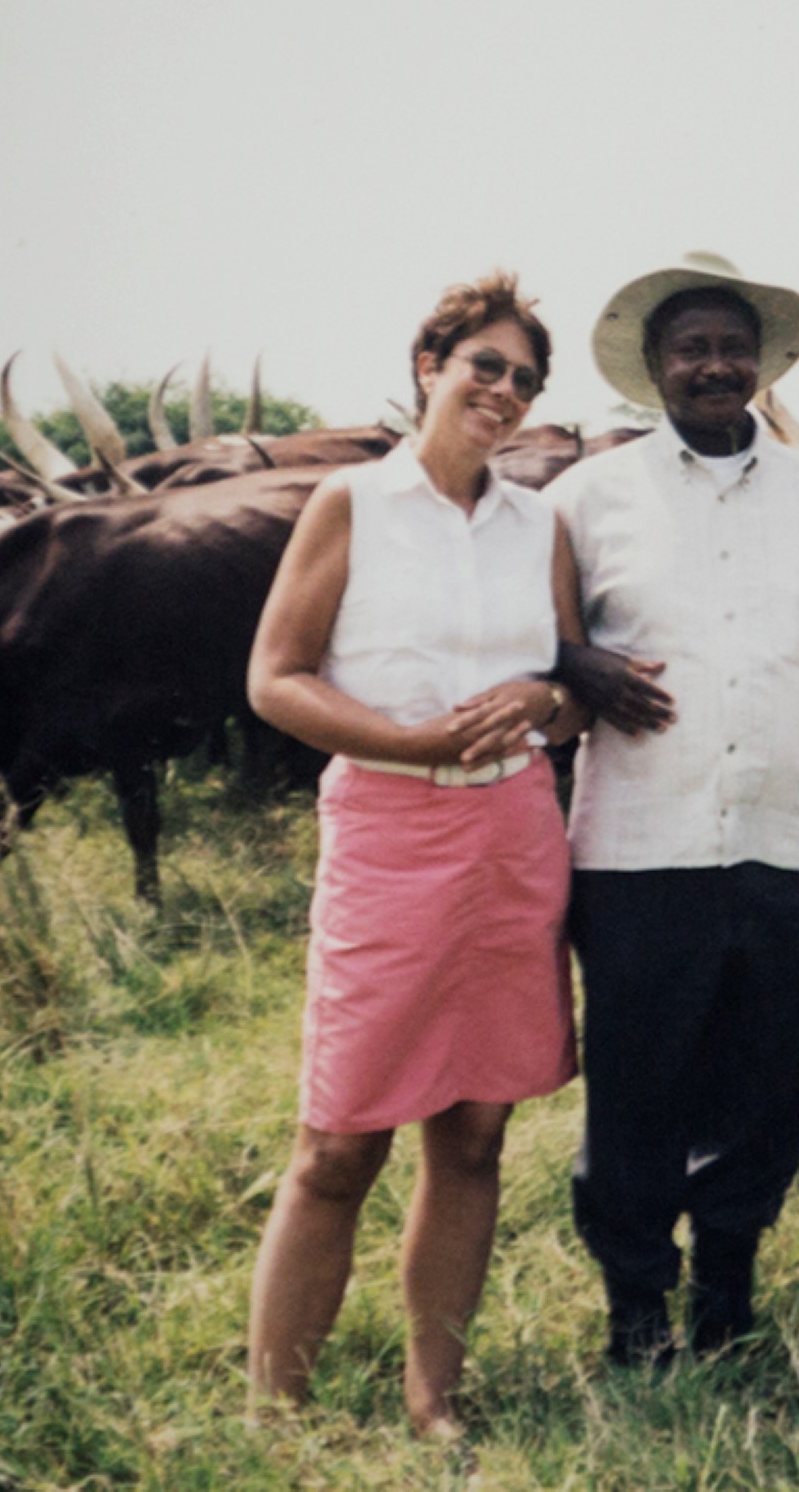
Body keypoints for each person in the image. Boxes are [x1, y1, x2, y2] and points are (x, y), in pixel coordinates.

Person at [552, 251, 799, 1364]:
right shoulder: (586, 498)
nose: (714, 364)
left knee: (774, 1082)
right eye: (691, 347)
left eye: (732, 346)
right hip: (635, 847)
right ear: (653, 369)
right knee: (637, 1087)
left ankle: (726, 1292)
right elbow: (523, 637)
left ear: (762, 364)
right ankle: (635, 1308)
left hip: (788, 840)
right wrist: (577, 658)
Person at [243, 271, 589, 1436]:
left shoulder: (536, 519)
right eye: (482, 364)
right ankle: (275, 1407)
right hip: (389, 830)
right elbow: (275, 678)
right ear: (428, 365)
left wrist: (545, 695)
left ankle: (431, 1395)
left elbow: (573, 693)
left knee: (478, 1128)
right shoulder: (351, 501)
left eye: (524, 378)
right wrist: (404, 738)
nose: (501, 390)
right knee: (340, 1140)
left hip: (514, 830)